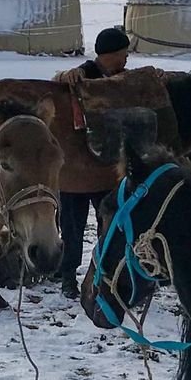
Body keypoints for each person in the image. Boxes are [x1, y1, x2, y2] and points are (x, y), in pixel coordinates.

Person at [56, 26, 132, 296]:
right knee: (72, 228)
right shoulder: (83, 74)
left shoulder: (123, 78)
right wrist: (65, 75)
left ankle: (107, 273)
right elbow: (54, 86)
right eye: (123, 53)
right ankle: (68, 277)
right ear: (111, 54)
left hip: (105, 169)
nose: (126, 59)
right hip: (76, 169)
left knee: (111, 225)